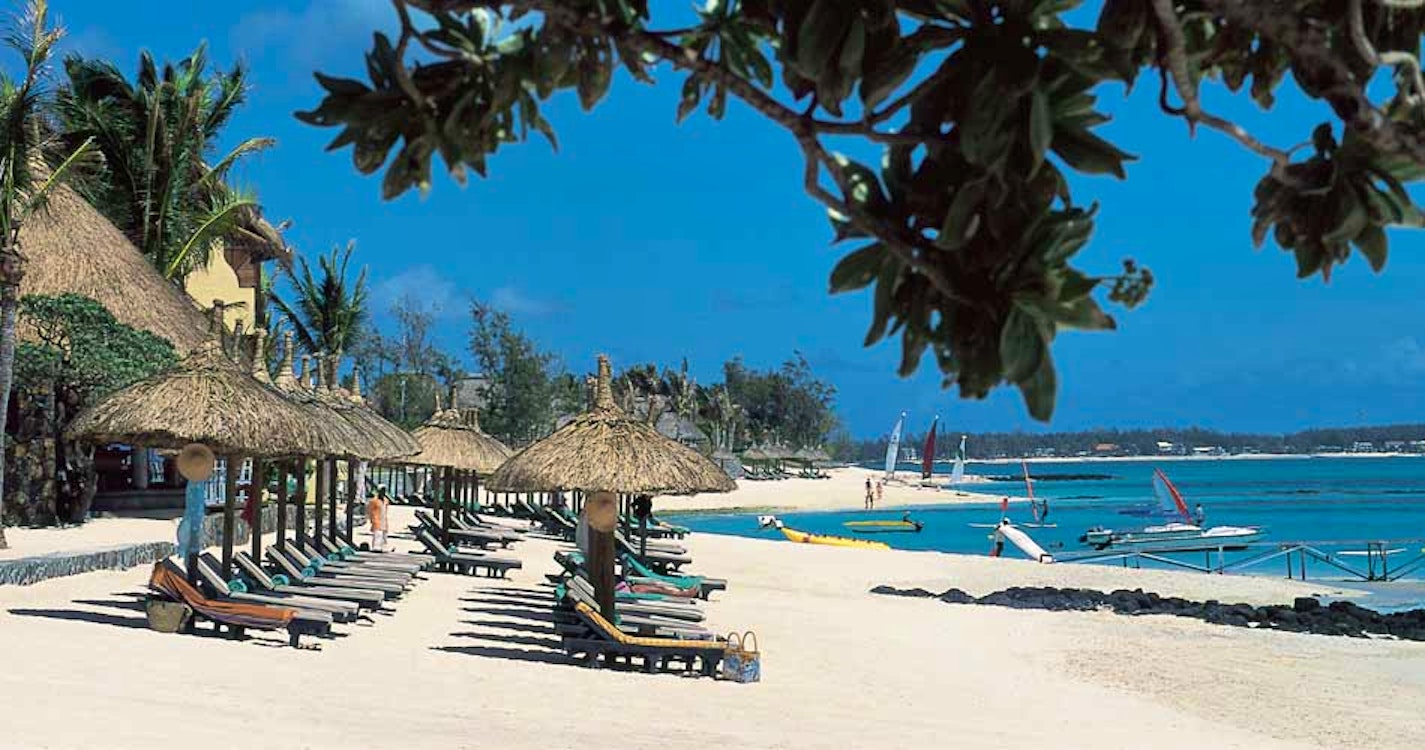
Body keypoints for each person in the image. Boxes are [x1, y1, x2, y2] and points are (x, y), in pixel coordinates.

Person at [367, 484, 390, 551]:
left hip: (384, 520)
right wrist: (371, 519)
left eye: (384, 490)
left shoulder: (386, 500)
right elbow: (369, 510)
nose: (383, 492)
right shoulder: (374, 500)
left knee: (384, 535)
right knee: (378, 534)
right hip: (376, 520)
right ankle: (376, 547)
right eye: (381, 490)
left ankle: (384, 547)